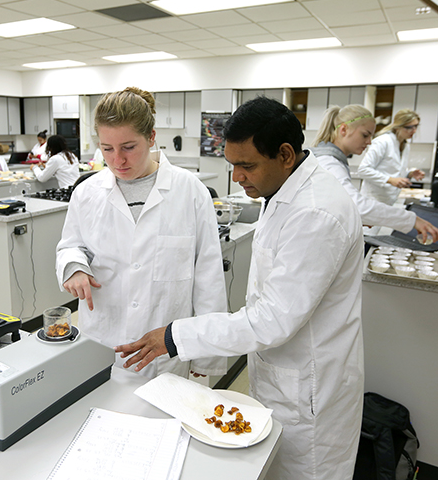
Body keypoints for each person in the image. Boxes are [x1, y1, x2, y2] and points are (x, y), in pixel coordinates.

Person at [115, 97, 365, 480]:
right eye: (233, 165)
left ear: (284, 154)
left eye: (246, 166)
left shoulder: (315, 212)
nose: (237, 177)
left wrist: (175, 336)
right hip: (283, 377)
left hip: (310, 392)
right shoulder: (284, 190)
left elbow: (272, 320)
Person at [55, 87, 227, 380]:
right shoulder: (86, 193)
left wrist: (204, 358)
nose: (117, 160)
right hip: (103, 341)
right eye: (107, 149)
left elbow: (208, 278)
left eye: (129, 147)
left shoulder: (190, 191)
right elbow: (70, 246)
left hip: (165, 351)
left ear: (151, 137)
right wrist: (74, 268)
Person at [312, 105, 438, 243]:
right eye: (365, 135)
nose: (369, 142)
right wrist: (411, 220)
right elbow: (355, 205)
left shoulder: (333, 160)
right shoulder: (329, 162)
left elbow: (334, 205)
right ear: (343, 129)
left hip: (373, 210)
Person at [357, 109, 425, 205]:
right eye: (409, 127)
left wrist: (409, 174)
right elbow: (363, 170)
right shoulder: (383, 142)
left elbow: (394, 170)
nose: (414, 131)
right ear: (397, 127)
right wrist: (390, 180)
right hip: (372, 200)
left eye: (416, 126)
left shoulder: (405, 145)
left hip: (389, 200)